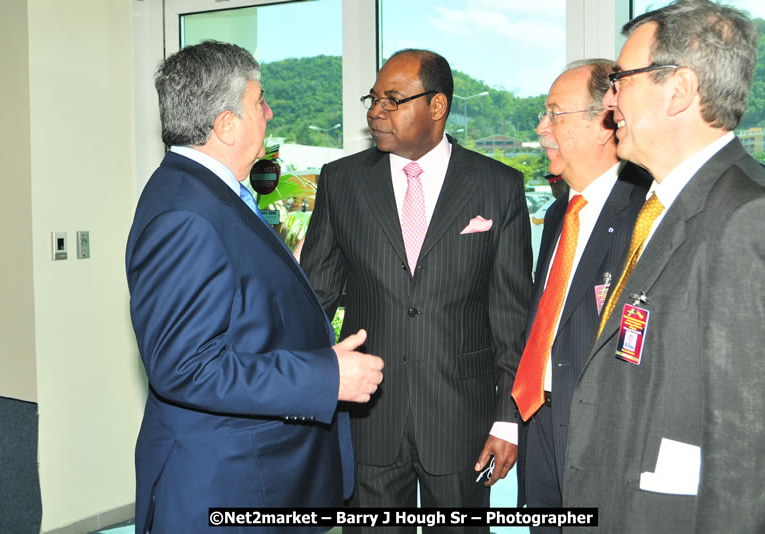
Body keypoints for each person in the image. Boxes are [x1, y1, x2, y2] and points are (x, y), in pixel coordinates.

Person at [125, 41, 384, 533]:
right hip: (228, 485)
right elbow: (186, 368)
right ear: (225, 125)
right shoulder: (187, 214)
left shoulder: (211, 194)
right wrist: (326, 377)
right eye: (259, 101)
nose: (268, 111)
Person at [300, 49, 532, 531]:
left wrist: (507, 419)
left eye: (393, 99)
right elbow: (314, 303)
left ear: (437, 106)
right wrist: (304, 391)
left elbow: (512, 316)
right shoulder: (341, 183)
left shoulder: (498, 186)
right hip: (370, 423)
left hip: (460, 423)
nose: (375, 111)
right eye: (373, 98)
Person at [563, 2, 765, 532]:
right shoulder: (658, 204)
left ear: (678, 90)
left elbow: (746, 451)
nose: (610, 100)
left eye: (620, 80)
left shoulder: (748, 218)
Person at [510, 59, 651, 533]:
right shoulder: (558, 216)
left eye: (554, 114)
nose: (540, 127)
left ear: (604, 123)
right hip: (540, 423)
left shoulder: (645, 215)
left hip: (598, 439)